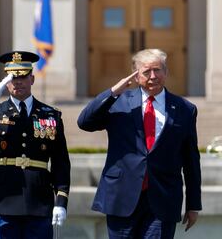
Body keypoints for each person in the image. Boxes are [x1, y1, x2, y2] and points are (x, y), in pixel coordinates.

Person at [77, 49, 202, 238]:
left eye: (158, 70)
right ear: (135, 76)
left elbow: (191, 159)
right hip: (122, 197)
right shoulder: (118, 102)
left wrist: (193, 204)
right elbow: (85, 122)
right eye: (146, 72)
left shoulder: (185, 109)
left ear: (166, 73)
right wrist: (113, 92)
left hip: (162, 199)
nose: (153, 76)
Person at [0, 51, 71, 239]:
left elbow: (61, 161)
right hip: (3, 199)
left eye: (23, 76)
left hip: (39, 199)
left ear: (32, 79)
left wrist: (61, 201)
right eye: (12, 77)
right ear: (6, 81)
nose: (18, 81)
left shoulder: (50, 115)